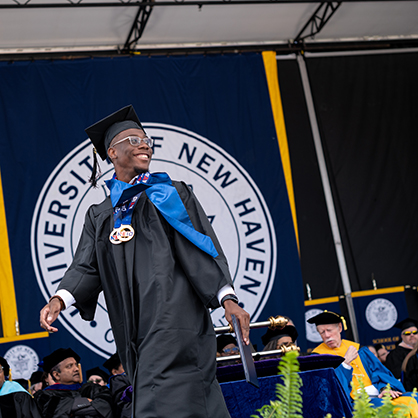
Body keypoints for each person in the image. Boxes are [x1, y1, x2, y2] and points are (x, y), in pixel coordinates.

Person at [39, 105, 250, 418]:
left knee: (159, 401)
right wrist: (59, 299)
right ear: (112, 152)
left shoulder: (168, 195)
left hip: (174, 318)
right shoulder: (101, 215)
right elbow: (87, 266)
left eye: (146, 140)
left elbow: (201, 248)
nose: (144, 145)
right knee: (189, 402)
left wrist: (227, 298)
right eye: (134, 140)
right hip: (133, 330)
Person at [308, 311, 418, 414]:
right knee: (382, 406)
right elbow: (327, 390)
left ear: (340, 327)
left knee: (413, 399)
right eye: (322, 332)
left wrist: (385, 388)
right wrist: (345, 364)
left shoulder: (359, 349)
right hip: (353, 401)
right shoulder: (318, 358)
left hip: (378, 394)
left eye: (329, 330)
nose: (327, 335)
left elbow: (380, 373)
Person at [34, 348, 114, 418]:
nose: (76, 369)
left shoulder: (91, 389)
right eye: (69, 366)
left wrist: (72, 408)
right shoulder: (45, 396)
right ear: (57, 375)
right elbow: (55, 413)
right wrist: (87, 401)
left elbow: (106, 406)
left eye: (76, 365)